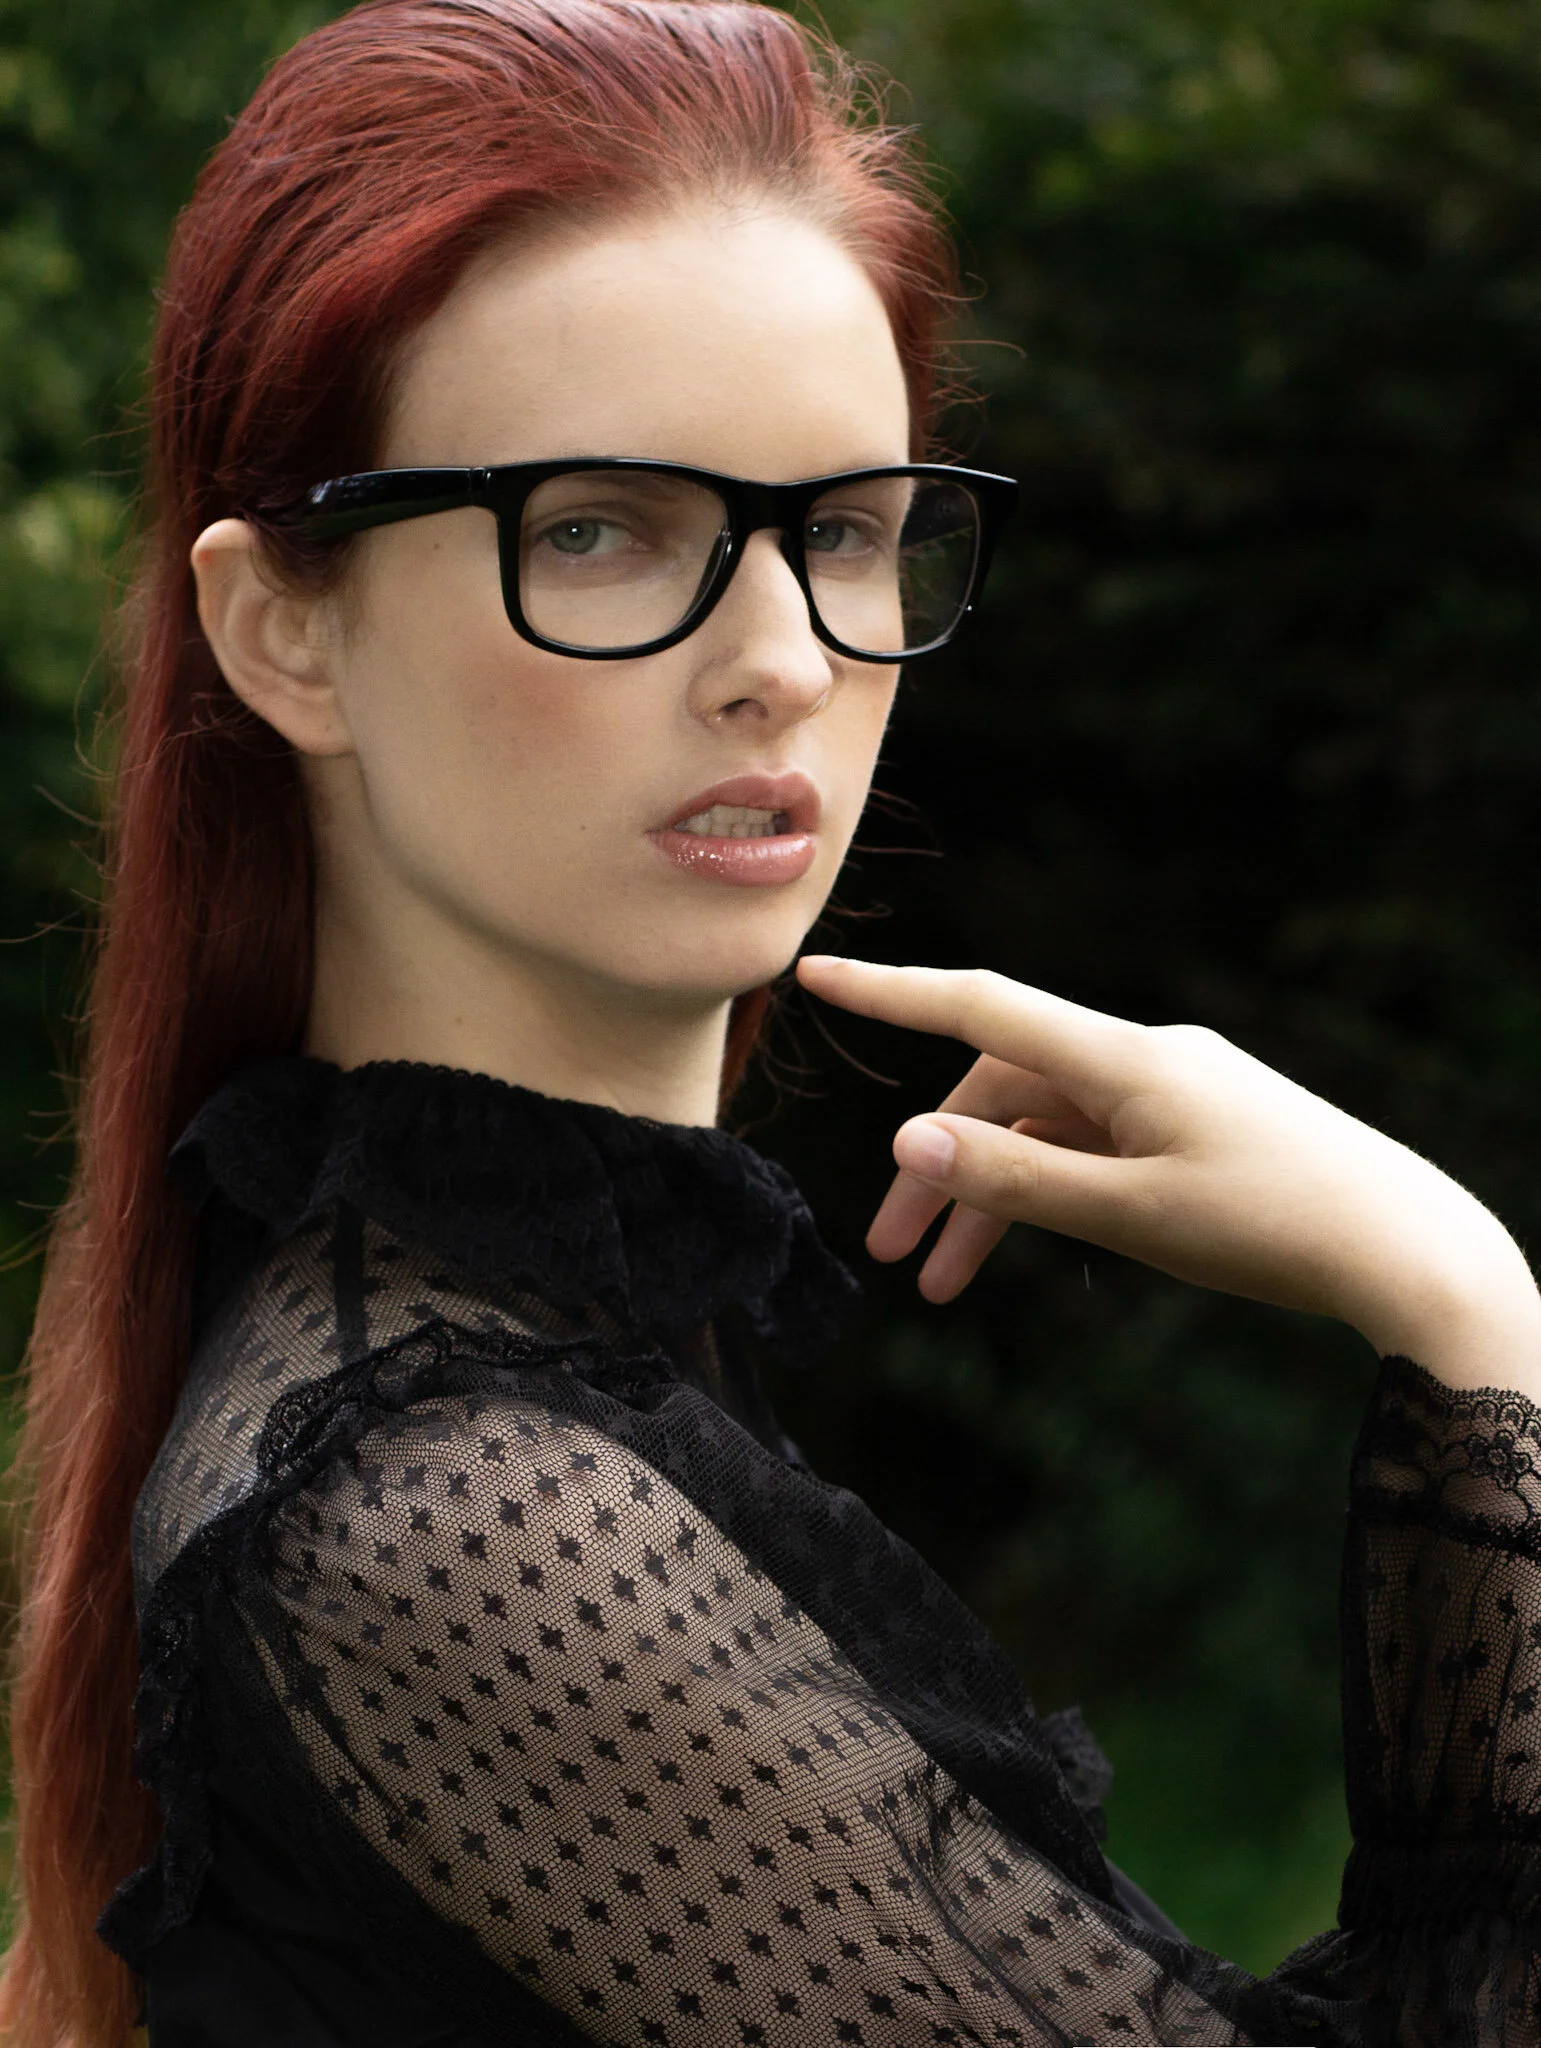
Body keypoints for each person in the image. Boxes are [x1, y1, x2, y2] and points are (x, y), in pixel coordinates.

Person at [2, 0, 1538, 2041]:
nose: (781, 660)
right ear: (282, 628)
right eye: (596, 527)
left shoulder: (550, 1365)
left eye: (839, 532)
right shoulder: (447, 1515)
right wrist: (1462, 1308)